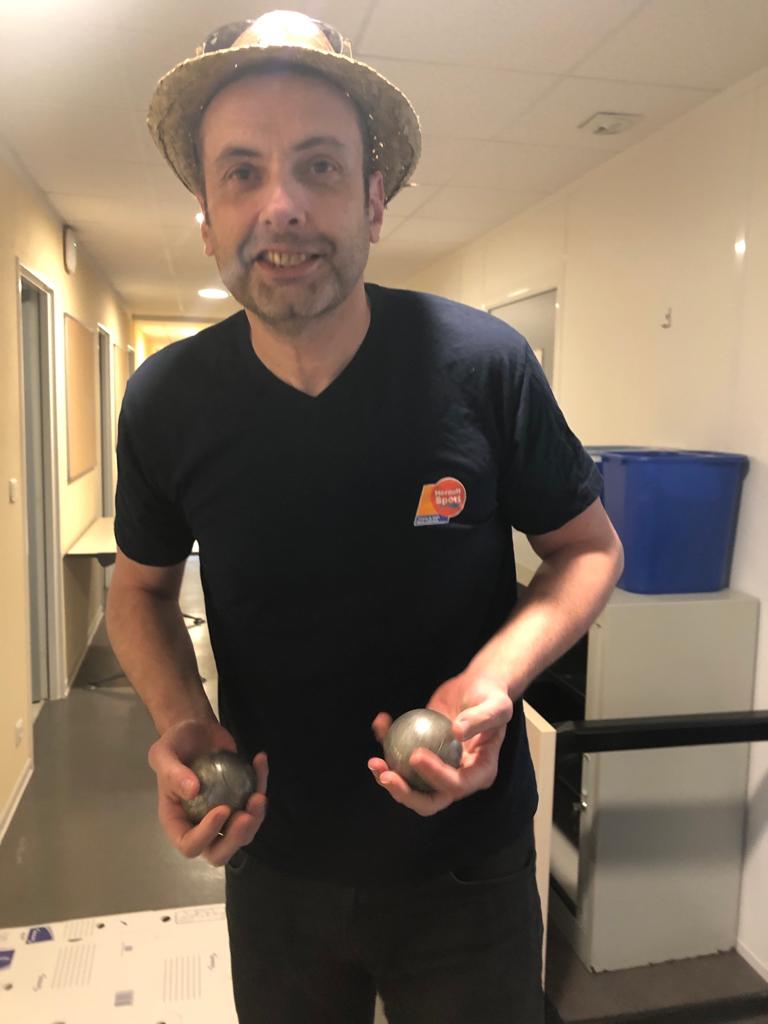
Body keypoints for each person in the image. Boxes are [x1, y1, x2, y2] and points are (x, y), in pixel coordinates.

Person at [106, 11, 624, 1024]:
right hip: (273, 859)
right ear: (206, 216)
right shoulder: (167, 401)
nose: (283, 205)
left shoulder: (483, 367)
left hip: (467, 866)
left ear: (374, 201)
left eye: (320, 167)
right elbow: (139, 591)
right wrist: (182, 719)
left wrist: (494, 678)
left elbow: (588, 550)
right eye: (243, 172)